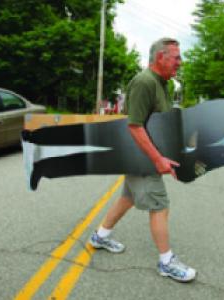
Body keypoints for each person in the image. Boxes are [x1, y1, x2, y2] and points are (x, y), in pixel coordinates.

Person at [88, 37, 196, 282]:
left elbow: (158, 122)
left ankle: (100, 236)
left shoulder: (162, 83)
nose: (180, 62)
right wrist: (158, 159)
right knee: (160, 205)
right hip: (142, 158)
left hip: (142, 156)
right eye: (176, 57)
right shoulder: (144, 82)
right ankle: (166, 262)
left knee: (127, 198)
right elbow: (135, 126)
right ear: (161, 57)